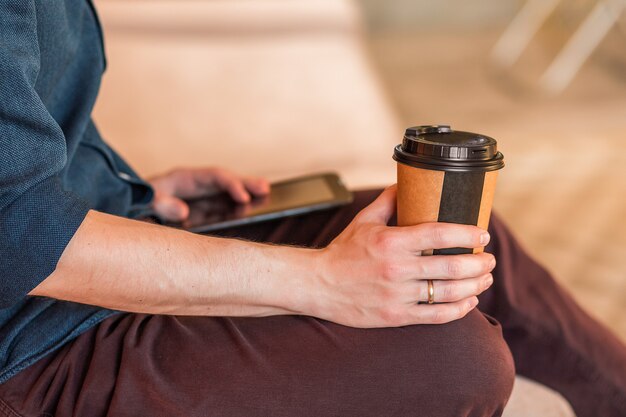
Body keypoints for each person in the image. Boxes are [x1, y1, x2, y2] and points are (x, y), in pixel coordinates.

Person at [0, 2, 624, 416]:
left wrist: (118, 185)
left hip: (95, 227)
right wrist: (324, 282)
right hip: (32, 347)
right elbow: (18, 236)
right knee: (454, 359)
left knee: (455, 246)